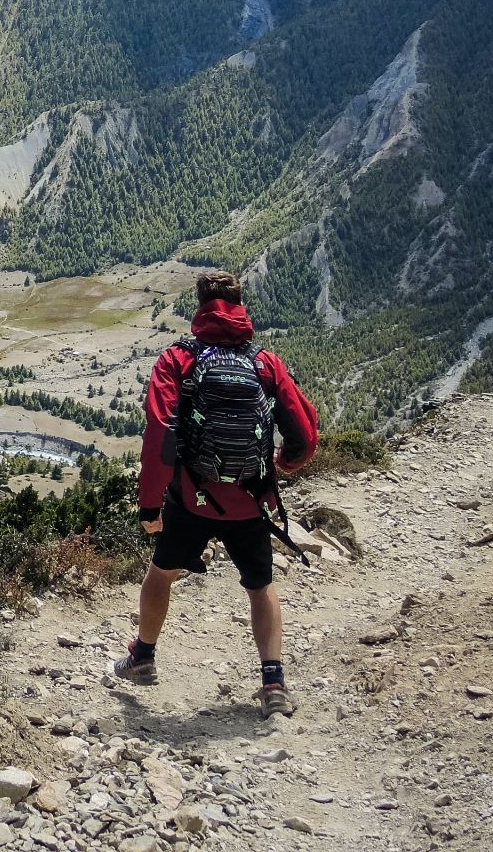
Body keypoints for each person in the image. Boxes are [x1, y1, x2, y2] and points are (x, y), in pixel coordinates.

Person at [109, 271, 318, 710]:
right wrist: (285, 464)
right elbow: (304, 434)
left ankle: (142, 657)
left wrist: (150, 504)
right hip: (250, 501)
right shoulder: (265, 363)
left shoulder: (177, 361)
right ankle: (274, 683)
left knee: (162, 572)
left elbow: (159, 434)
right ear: (240, 305)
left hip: (190, 499)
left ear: (199, 305)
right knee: (260, 587)